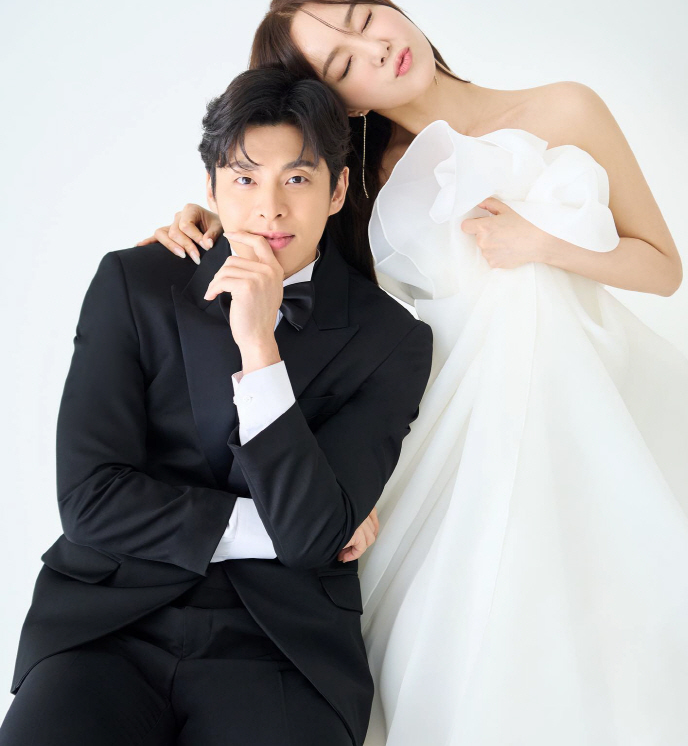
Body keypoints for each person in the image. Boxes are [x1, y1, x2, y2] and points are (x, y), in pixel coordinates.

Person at [137, 0, 688, 744]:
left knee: (606, 631)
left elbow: (663, 266)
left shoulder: (566, 108)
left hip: (577, 410)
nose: (377, 48)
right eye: (343, 64)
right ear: (340, 104)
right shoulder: (360, 185)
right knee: (482, 648)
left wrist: (541, 245)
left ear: (388, 1)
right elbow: (304, 284)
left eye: (365, 18)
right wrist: (208, 219)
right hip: (453, 440)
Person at [0, 66, 434, 746]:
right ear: (210, 187)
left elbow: (312, 539)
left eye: (297, 178)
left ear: (337, 189)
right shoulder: (135, 283)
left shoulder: (392, 340)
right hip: (110, 624)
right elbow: (89, 499)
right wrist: (280, 528)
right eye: (244, 179)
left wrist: (259, 346)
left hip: (281, 647)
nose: (270, 209)